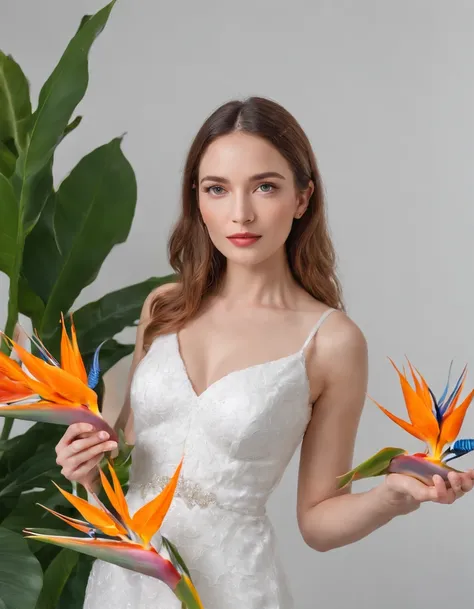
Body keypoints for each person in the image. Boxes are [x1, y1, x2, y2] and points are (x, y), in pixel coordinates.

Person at [55, 97, 474, 609]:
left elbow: (318, 520)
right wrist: (89, 469)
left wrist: (391, 497)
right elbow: (128, 453)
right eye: (217, 189)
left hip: (233, 587)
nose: (241, 213)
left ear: (302, 198)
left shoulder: (332, 340)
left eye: (265, 186)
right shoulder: (165, 307)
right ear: (197, 199)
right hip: (124, 583)